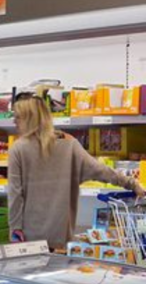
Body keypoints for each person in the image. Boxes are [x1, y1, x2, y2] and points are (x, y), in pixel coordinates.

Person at [8, 92, 145, 250]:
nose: (14, 121)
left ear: (29, 118)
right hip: (61, 239)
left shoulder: (18, 149)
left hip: (28, 239)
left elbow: (15, 195)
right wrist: (132, 184)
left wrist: (15, 230)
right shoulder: (69, 144)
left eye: (18, 117)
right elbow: (101, 170)